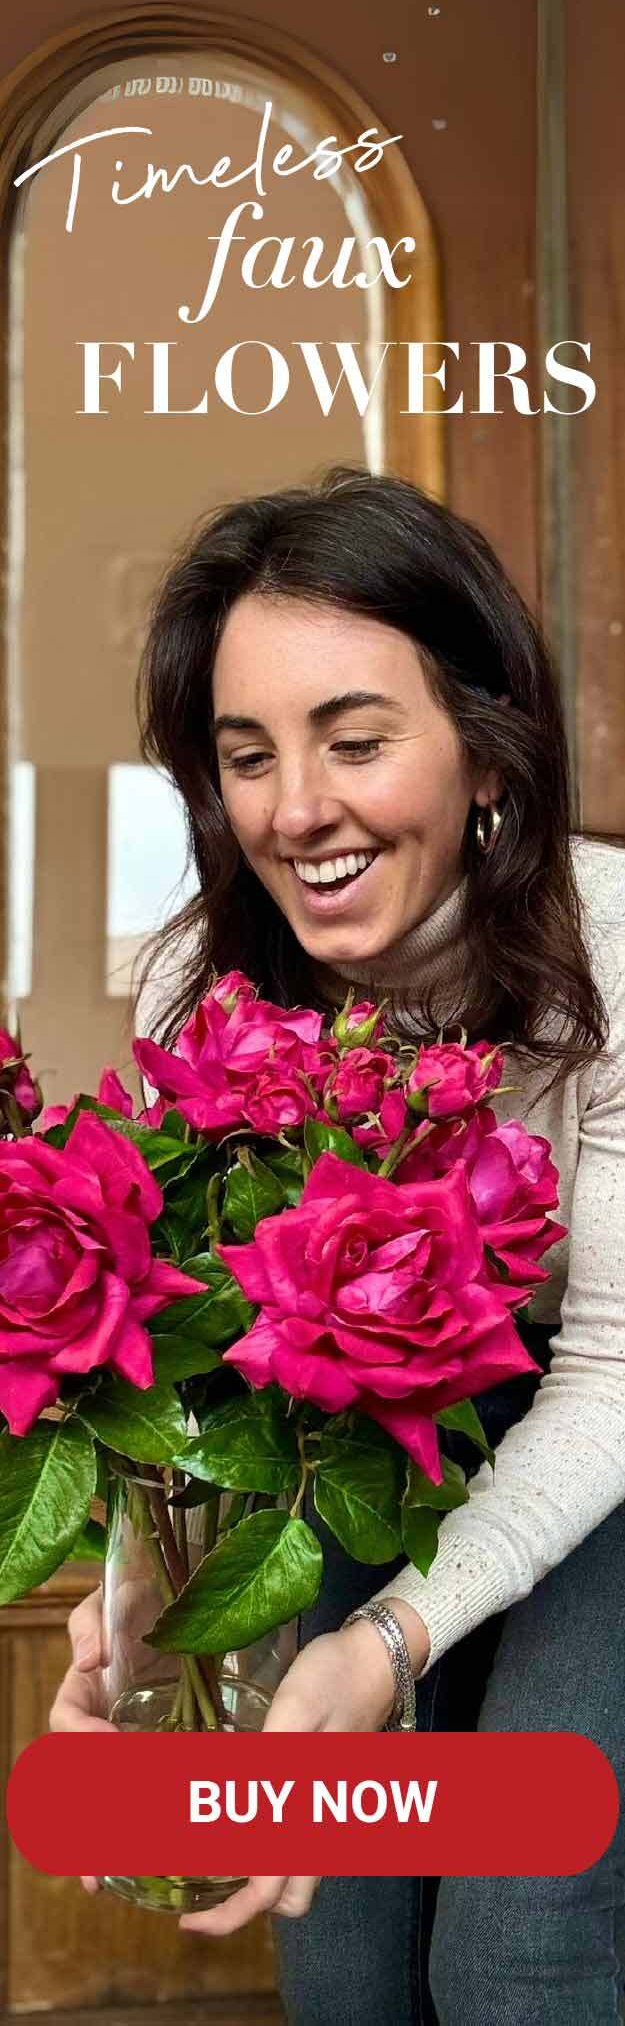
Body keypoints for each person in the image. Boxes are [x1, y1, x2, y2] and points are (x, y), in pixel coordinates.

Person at [51, 467, 625, 2025]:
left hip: (609, 1437)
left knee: (519, 1935)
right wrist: (142, 1608)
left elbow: (611, 1368)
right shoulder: (204, 982)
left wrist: (384, 1638)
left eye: (354, 740)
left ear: (486, 754)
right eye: (247, 756)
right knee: (349, 1960)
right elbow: (189, 1352)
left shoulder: (617, 949)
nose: (294, 808)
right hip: (369, 1444)